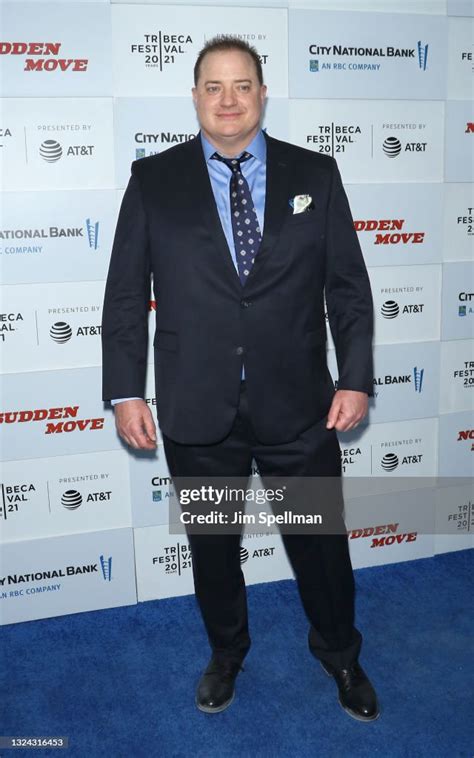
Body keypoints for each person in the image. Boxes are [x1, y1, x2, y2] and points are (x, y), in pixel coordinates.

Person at [102, 36, 379, 721]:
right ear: (194, 96)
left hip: (301, 409)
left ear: (262, 93)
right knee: (214, 551)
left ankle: (341, 653)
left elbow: (346, 288)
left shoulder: (316, 174)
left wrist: (357, 378)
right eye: (214, 86)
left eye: (242, 85)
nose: (228, 100)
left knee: (319, 547)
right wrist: (126, 390)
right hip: (199, 410)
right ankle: (227, 654)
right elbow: (126, 296)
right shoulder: (152, 179)